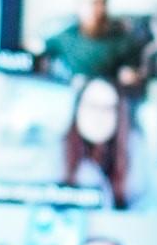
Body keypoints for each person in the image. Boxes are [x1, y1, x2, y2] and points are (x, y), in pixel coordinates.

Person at [62, 75, 151, 209]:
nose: (98, 115)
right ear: (78, 109)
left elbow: (152, 207)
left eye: (108, 108)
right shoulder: (56, 154)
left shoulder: (136, 153)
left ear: (119, 115)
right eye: (92, 105)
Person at [39, 0, 146, 90]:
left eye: (98, 2)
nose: (92, 8)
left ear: (105, 4)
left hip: (107, 98)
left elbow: (133, 72)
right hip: (73, 94)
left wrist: (129, 76)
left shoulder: (123, 41)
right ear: (78, 5)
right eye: (86, 2)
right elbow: (37, 48)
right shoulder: (65, 37)